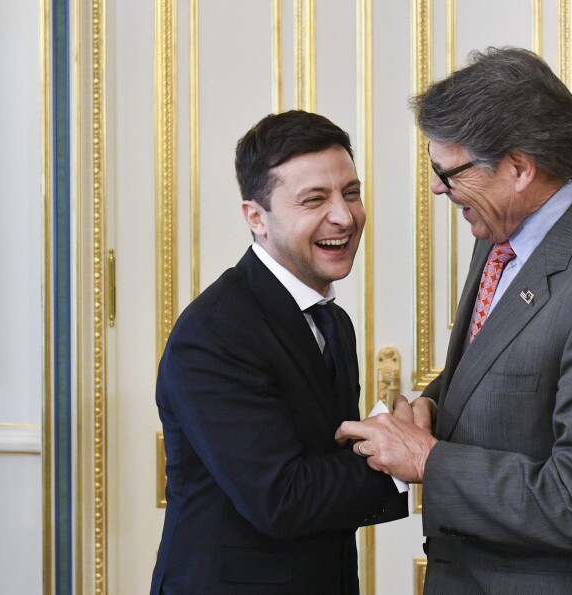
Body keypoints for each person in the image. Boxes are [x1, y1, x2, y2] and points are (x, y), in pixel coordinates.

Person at [337, 47, 572, 594]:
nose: (436, 188)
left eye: (449, 172)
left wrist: (429, 459)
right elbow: (502, 364)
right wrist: (432, 405)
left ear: (519, 169)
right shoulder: (505, 228)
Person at [151, 110, 407, 595]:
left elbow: (323, 456)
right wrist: (399, 456)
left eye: (350, 192)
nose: (344, 216)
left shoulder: (333, 319)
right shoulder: (213, 333)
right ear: (256, 217)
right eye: (315, 199)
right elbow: (282, 498)